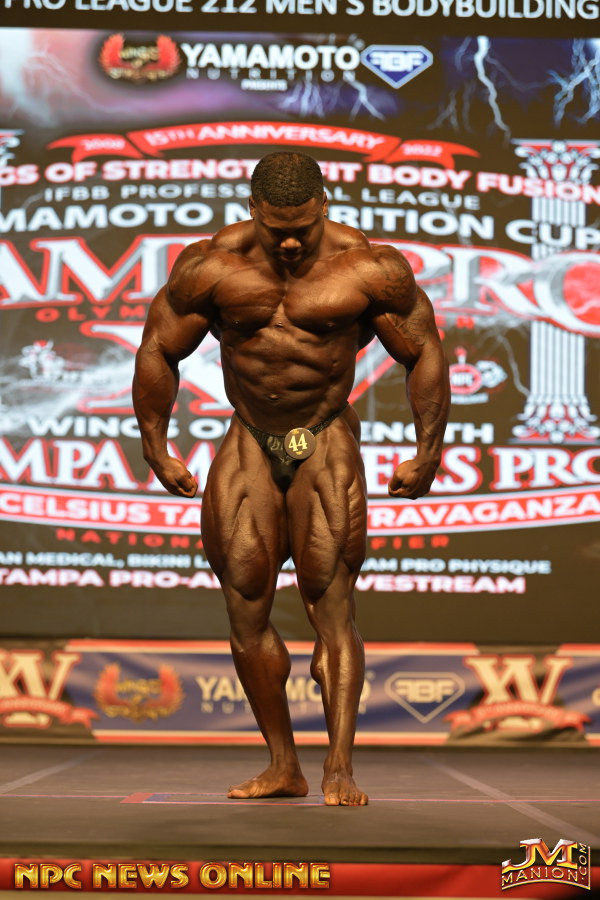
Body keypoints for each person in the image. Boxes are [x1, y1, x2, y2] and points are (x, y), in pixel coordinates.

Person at [133, 151, 450, 807]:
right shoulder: (211, 266)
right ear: (253, 209)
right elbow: (159, 347)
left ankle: (339, 767)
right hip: (249, 436)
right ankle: (283, 765)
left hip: (324, 435)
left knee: (329, 599)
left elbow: (424, 349)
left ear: (323, 205)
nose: (288, 243)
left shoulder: (369, 268)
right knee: (244, 600)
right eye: (276, 229)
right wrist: (156, 447)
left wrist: (428, 451)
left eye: (302, 229)